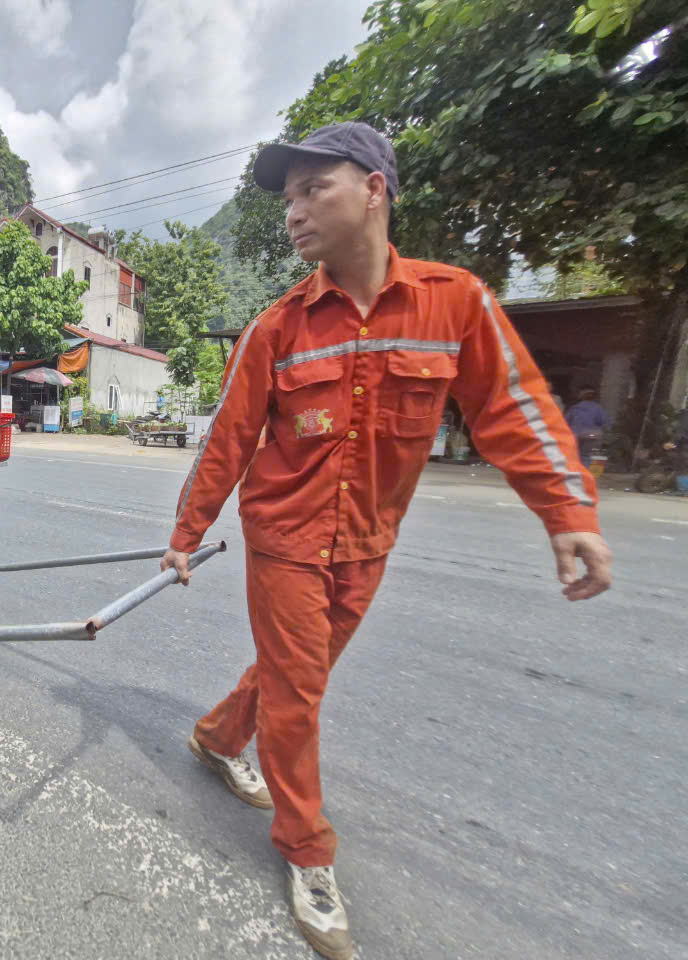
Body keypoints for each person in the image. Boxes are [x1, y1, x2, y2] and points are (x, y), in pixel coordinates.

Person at [160, 122, 613, 960]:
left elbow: (512, 409)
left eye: (311, 189)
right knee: (298, 693)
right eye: (287, 198)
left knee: (297, 673)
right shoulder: (276, 329)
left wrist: (569, 512)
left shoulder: (454, 301)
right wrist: (186, 534)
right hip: (286, 538)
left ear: (373, 188)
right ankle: (307, 853)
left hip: (369, 540)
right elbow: (227, 437)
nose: (292, 213)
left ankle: (221, 737)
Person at [564, 386, 608, 468]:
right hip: (591, 434)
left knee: (574, 453)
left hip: (576, 434)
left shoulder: (575, 407)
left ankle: (574, 470)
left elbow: (566, 421)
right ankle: (584, 472)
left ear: (581, 396)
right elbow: (602, 421)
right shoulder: (598, 408)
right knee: (586, 455)